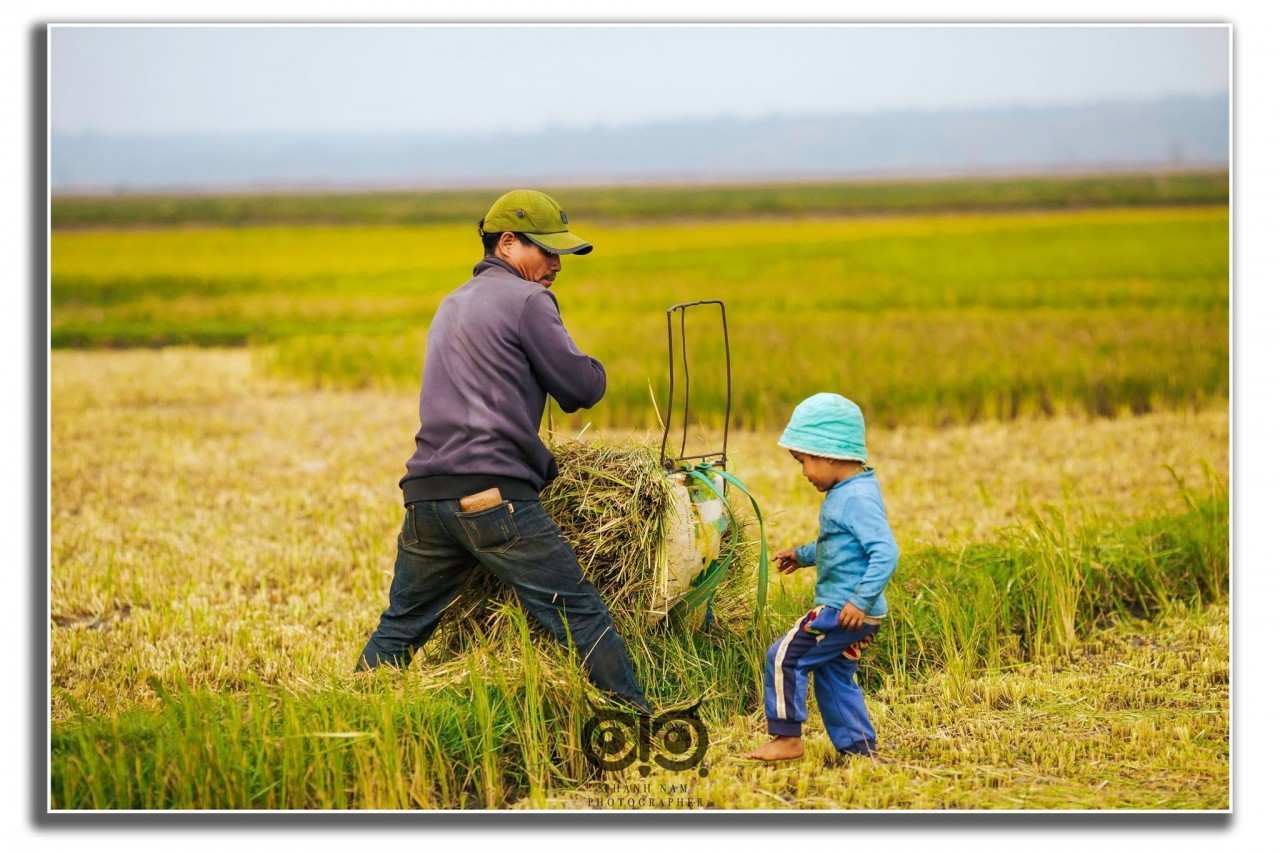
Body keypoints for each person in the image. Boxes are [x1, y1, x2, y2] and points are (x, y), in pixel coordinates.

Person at [355, 189, 652, 714]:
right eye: (548, 250)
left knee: (401, 626)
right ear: (508, 243)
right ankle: (637, 724)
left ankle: (351, 712)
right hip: (493, 495)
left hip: (427, 496)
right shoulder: (529, 301)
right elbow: (580, 390)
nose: (557, 264)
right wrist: (593, 368)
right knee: (577, 611)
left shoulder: (451, 302)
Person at [745, 392, 899, 760]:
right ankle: (860, 750)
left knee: (784, 656)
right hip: (858, 613)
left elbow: (885, 551)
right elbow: (841, 546)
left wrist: (858, 601)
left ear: (829, 453)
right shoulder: (852, 490)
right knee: (833, 677)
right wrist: (802, 555)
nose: (803, 473)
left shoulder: (855, 498)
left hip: (841, 610)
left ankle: (787, 738)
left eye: (804, 461)